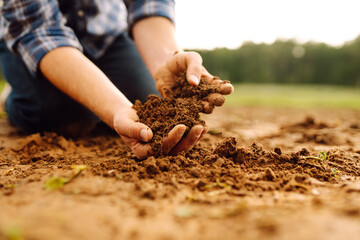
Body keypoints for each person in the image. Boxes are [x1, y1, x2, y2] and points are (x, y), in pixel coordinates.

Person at [0, 0, 234, 159]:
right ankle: (14, 96)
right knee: (60, 112)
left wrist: (165, 59)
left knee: (146, 100)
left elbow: (148, 4)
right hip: (33, 42)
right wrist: (113, 110)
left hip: (106, 38)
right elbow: (40, 31)